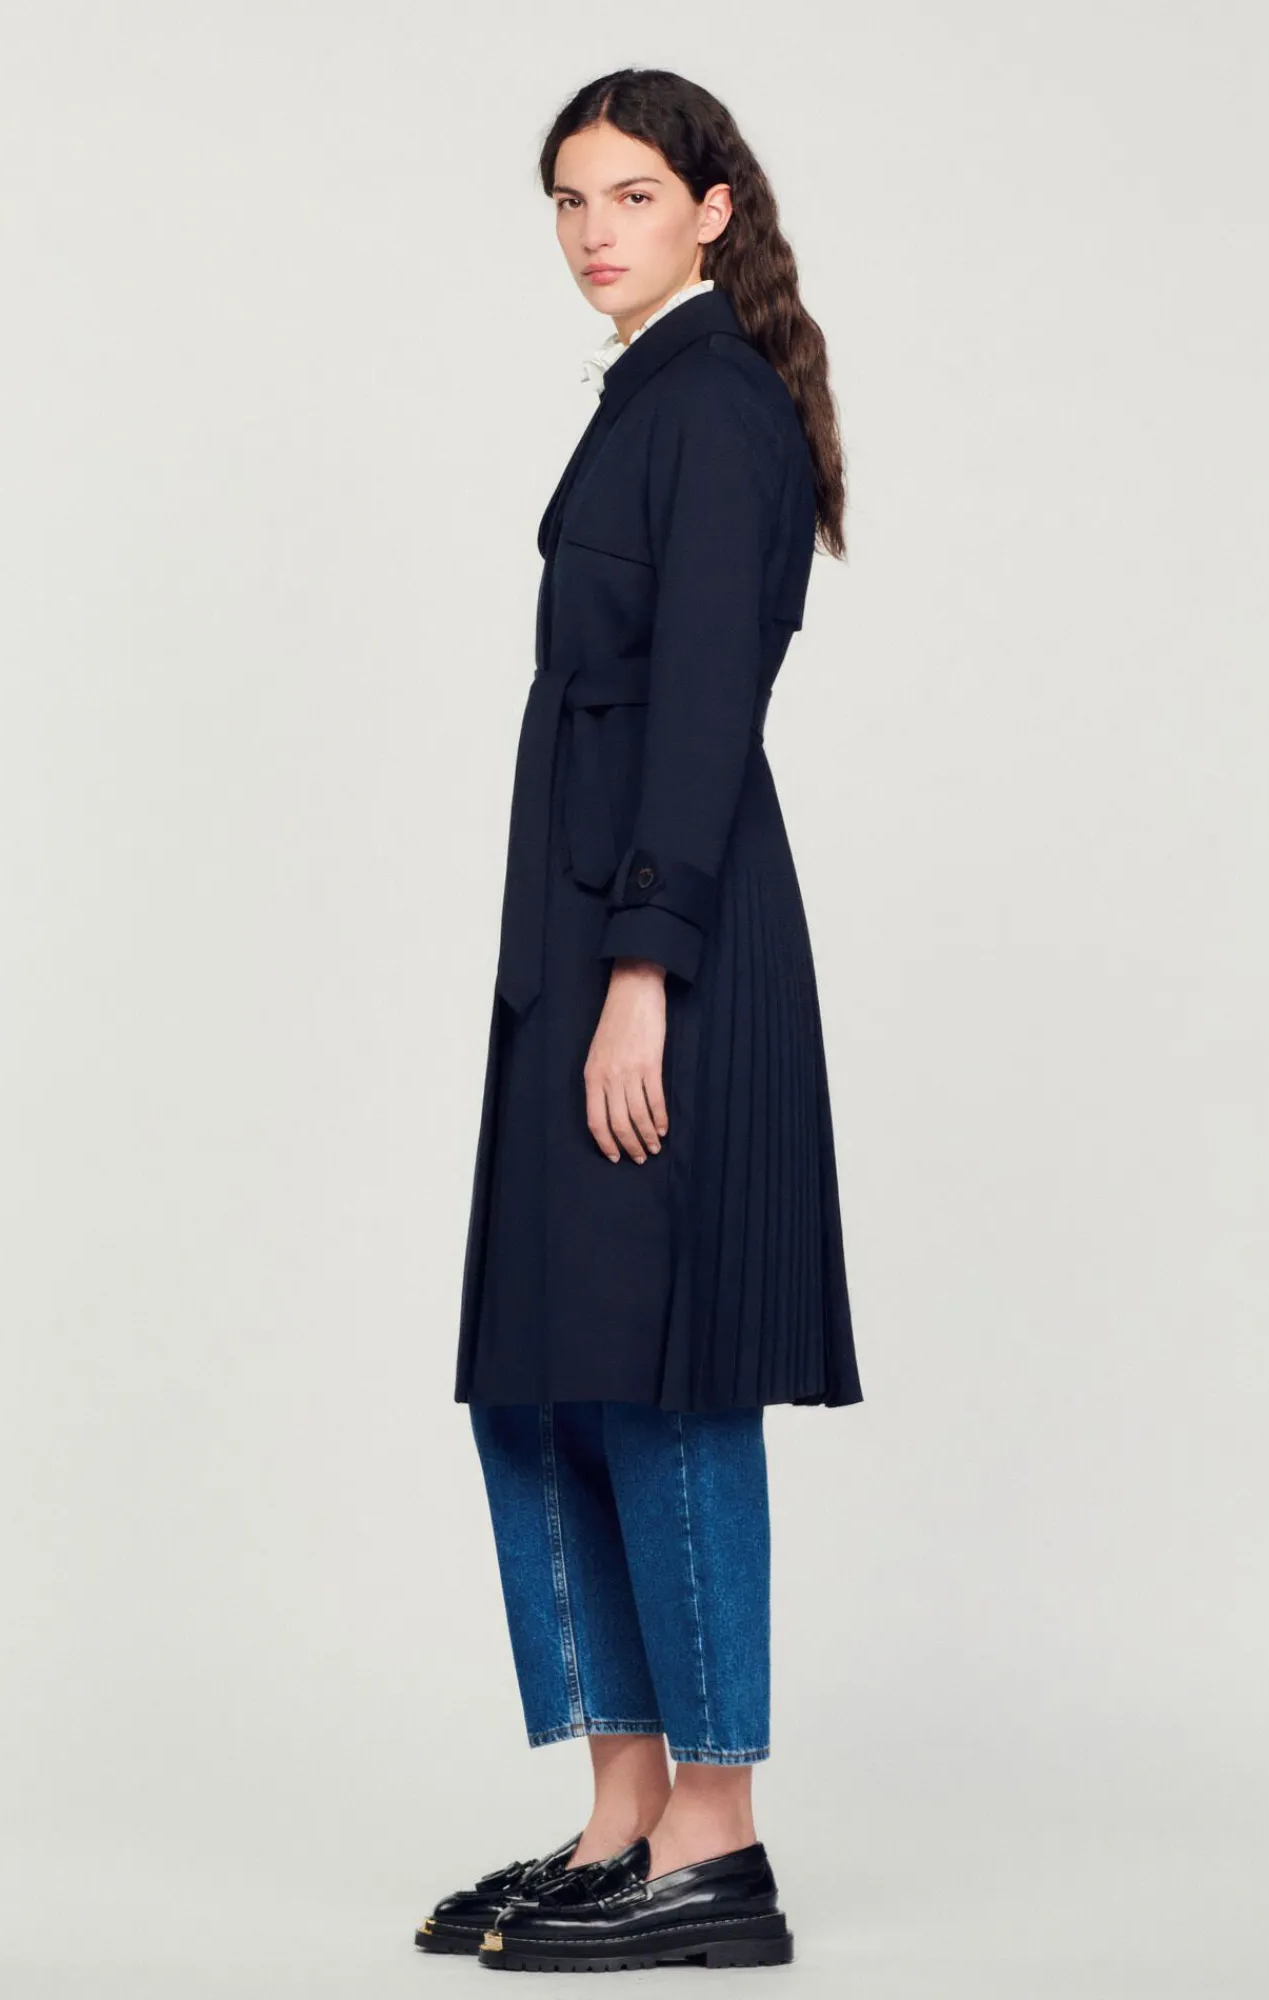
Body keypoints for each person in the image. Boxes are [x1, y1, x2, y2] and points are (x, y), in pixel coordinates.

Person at [422, 68, 865, 1975]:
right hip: (575, 941)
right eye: (566, 199)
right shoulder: (641, 399)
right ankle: (620, 1811)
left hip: (655, 954)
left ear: (711, 208)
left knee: (666, 1377)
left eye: (627, 193)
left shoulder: (718, 406)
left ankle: (717, 1836)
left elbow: (701, 711)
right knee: (542, 1374)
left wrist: (641, 979)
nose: (592, 229)